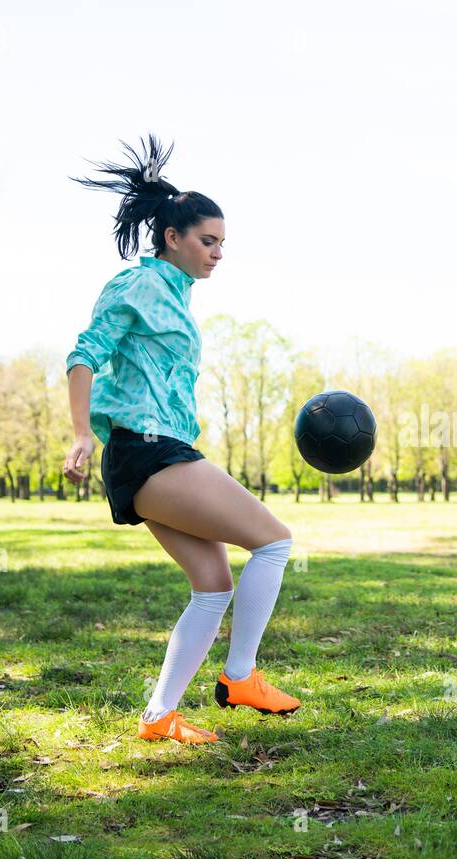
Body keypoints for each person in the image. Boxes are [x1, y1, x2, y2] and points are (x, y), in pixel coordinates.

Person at [62, 134, 299, 746]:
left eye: (222, 243)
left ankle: (159, 717)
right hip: (147, 449)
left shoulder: (177, 296)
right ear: (174, 237)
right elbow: (86, 352)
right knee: (273, 542)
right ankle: (241, 677)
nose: (218, 253)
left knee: (213, 586)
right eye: (208, 240)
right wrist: (81, 431)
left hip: (159, 450)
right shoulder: (137, 286)